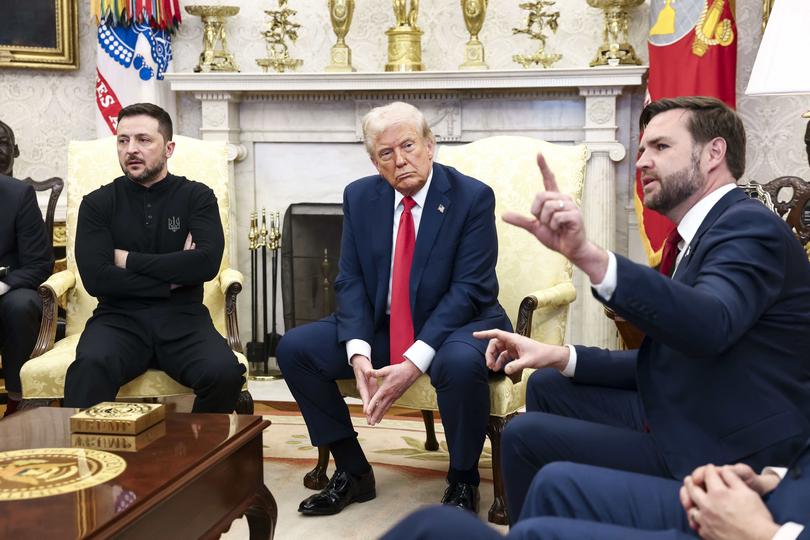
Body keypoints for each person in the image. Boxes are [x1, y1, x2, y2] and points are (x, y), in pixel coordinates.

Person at [474, 96, 810, 522]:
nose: (641, 162)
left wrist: (589, 256)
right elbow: (670, 357)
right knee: (547, 384)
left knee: (522, 436)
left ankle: (555, 522)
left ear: (714, 153)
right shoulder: (706, 231)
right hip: (696, 404)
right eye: (642, 149)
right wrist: (561, 356)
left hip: (726, 445)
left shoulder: (749, 226)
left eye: (661, 147)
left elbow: (710, 324)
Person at [277, 101, 511, 515]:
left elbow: (469, 290)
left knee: (457, 363)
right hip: (388, 324)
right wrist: (358, 352)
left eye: (408, 146)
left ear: (430, 145)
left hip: (462, 324)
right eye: (386, 153)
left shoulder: (471, 197)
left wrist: (413, 362)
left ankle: (462, 481)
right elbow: (349, 279)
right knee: (296, 348)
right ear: (374, 160)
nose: (400, 160)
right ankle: (353, 471)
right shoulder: (360, 196)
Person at [63, 103, 244, 413]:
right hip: (117, 319)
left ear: (168, 147)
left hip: (183, 319)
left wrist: (126, 260)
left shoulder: (197, 197)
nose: (131, 149)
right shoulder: (97, 203)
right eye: (123, 140)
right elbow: (96, 279)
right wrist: (172, 279)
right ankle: (93, 460)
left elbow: (205, 264)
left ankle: (197, 458)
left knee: (224, 373)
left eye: (143, 140)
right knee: (89, 367)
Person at [381, 441, 810, 540]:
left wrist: (763, 533)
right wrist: (771, 477)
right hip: (778, 501)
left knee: (434, 528)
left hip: (767, 532)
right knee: (556, 482)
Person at [0, 119, 53, 416]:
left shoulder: (17, 195)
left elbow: (40, 262)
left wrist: (3, 285)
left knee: (22, 304)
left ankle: (21, 401)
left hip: (7, 293)